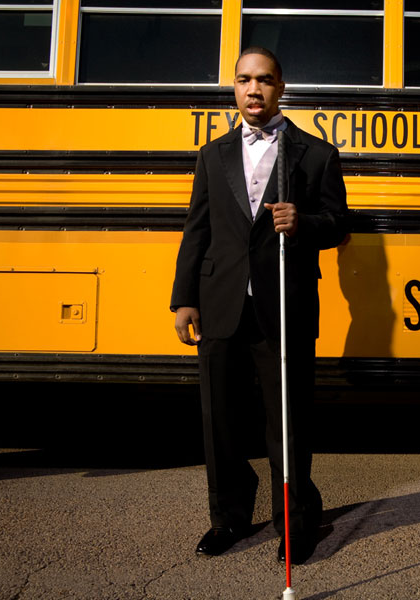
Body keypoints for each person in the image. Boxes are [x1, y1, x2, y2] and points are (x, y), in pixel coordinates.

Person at [170, 46, 348, 563]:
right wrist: (184, 300)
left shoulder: (315, 155)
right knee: (219, 420)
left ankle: (295, 524)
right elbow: (196, 230)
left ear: (281, 87)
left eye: (264, 80)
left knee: (287, 424)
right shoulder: (213, 154)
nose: (254, 90)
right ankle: (228, 519)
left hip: (285, 307)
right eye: (245, 80)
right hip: (220, 302)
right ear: (234, 87)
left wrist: (306, 222)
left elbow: (340, 224)